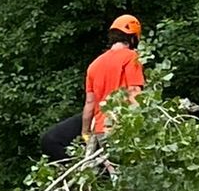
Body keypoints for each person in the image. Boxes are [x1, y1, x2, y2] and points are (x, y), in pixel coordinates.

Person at [39, 13, 144, 161]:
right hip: (121, 127)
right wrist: (145, 121)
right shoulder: (131, 57)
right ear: (133, 38)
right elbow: (133, 92)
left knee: (112, 174)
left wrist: (85, 133)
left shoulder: (94, 64)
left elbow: (90, 104)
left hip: (101, 129)